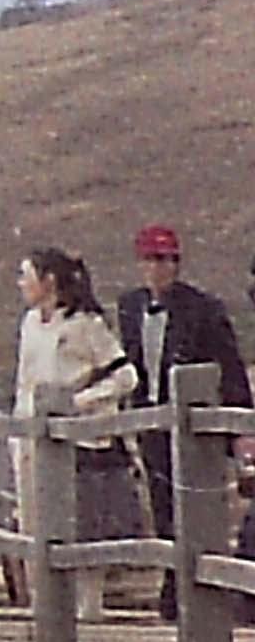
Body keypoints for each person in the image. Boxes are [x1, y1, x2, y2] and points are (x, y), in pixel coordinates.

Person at [115, 226, 248, 616]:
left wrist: (240, 428)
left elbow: (230, 365)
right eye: (154, 260)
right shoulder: (129, 307)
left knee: (196, 505)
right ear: (141, 264)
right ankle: (174, 585)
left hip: (195, 425)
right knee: (161, 505)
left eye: (169, 259)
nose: (161, 268)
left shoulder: (203, 308)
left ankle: (192, 592)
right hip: (152, 422)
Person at [15, 248, 147, 596]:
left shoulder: (85, 324)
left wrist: (79, 404)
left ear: (49, 281)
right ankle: (45, 604)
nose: (21, 284)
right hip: (33, 437)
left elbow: (125, 376)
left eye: (26, 276)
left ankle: (88, 608)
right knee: (36, 525)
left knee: (81, 526)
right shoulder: (30, 323)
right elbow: (25, 381)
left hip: (79, 442)